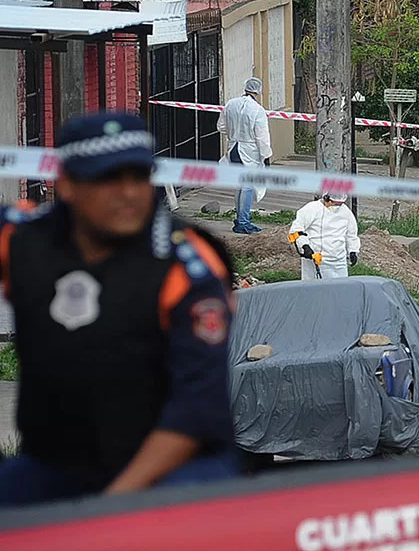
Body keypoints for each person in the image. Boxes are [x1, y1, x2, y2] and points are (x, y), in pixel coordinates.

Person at [0, 112, 242, 506]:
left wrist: (109, 505)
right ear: (67, 186)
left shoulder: (186, 266)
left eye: (138, 177)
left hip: (173, 467)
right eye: (108, 179)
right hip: (55, 465)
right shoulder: (23, 240)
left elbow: (196, 412)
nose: (129, 192)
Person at [217, 77, 272, 234]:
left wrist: (233, 134)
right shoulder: (257, 110)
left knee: (240, 184)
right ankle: (243, 221)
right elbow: (262, 136)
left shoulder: (230, 104)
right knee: (248, 186)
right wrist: (266, 155)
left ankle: (240, 217)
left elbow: (220, 126)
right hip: (250, 152)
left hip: (234, 148)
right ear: (258, 91)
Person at [289, 192, 361, 280]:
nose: (336, 207)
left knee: (339, 290)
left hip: (339, 262)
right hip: (316, 260)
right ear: (326, 198)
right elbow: (297, 230)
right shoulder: (312, 209)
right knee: (314, 290)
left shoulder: (346, 212)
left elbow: (351, 235)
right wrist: (304, 246)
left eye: (339, 204)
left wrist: (353, 251)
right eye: (333, 203)